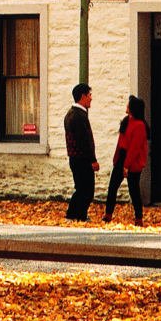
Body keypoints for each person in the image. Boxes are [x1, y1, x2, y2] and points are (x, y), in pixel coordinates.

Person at [104, 94, 148, 225]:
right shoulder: (126, 121)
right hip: (122, 156)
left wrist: (127, 165)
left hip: (132, 160)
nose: (127, 107)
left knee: (133, 189)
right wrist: (117, 159)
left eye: (129, 105)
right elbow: (121, 141)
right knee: (112, 187)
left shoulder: (139, 125)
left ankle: (138, 217)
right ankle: (108, 214)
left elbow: (135, 147)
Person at [63, 83, 98, 221]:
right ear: (82, 96)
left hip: (75, 158)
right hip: (82, 159)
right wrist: (93, 160)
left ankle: (76, 214)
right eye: (89, 95)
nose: (91, 98)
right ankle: (76, 215)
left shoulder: (72, 114)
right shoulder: (79, 116)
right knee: (86, 190)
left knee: (81, 188)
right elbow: (84, 141)